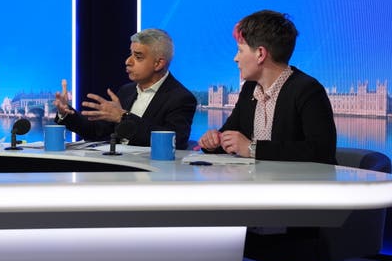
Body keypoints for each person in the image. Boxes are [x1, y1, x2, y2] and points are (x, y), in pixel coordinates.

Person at [197, 9, 336, 164]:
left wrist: (253, 149)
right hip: (257, 185)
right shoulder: (249, 89)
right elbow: (231, 139)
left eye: (240, 50)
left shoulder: (308, 90)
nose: (235, 58)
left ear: (260, 54)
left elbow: (322, 151)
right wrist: (213, 142)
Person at [54, 28, 197, 149]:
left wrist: (123, 117)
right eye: (130, 54)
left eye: (138, 56)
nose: (128, 61)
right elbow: (97, 132)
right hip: (116, 171)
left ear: (158, 64)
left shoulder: (181, 98)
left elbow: (174, 142)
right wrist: (66, 113)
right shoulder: (126, 91)